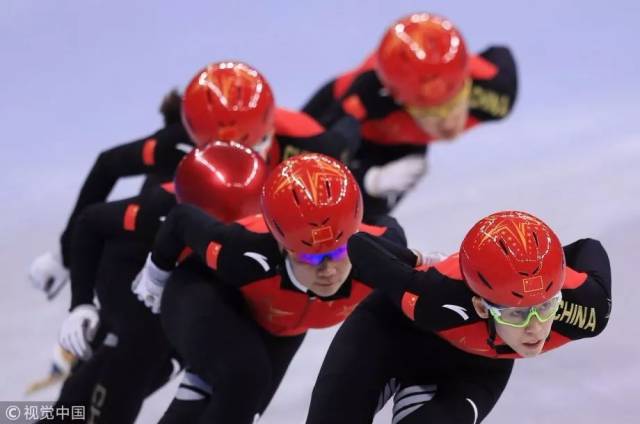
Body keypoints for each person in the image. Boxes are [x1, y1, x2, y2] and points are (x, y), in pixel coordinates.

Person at [28, 60, 360, 300]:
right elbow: (107, 166)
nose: (237, 164)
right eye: (218, 151)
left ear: (271, 130)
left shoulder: (312, 145)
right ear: (194, 137)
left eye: (251, 149)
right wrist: (64, 252)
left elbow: (348, 136)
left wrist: (371, 180)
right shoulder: (177, 144)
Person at [132, 153, 409, 423]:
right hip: (206, 293)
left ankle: (207, 378)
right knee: (245, 379)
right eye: (310, 257)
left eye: (337, 253)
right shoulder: (242, 251)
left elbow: (390, 228)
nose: (327, 270)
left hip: (279, 327)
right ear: (282, 247)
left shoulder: (380, 258)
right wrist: (156, 275)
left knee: (240, 408)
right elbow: (181, 219)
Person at [306, 210, 611, 423]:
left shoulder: (585, 310)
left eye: (545, 306)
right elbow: (358, 246)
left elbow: (589, 247)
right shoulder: (438, 298)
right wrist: (419, 261)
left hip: (474, 371)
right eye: (516, 314)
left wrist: (544, 265)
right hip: (392, 335)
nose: (535, 328)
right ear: (481, 307)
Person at [45, 142, 268, 424]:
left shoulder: (265, 230)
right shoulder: (157, 209)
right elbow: (90, 222)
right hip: (133, 274)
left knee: (140, 367)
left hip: (185, 286)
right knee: (136, 355)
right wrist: (81, 304)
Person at [303, 13, 518, 220]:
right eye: (429, 112)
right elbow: (315, 159)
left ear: (468, 86)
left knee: (366, 217)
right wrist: (369, 180)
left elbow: (501, 52)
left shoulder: (496, 94)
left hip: (401, 143)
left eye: (453, 103)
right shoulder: (367, 97)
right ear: (401, 103)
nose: (446, 122)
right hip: (347, 124)